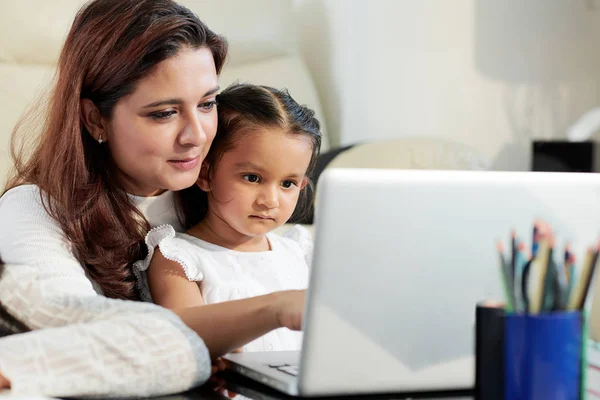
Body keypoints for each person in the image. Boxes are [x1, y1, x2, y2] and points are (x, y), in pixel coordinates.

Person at [0, 0, 305, 397]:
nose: (195, 135)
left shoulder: (224, 193)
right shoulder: (34, 208)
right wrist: (270, 311)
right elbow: (71, 324)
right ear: (95, 119)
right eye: (163, 113)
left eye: (208, 104)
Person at [134, 83, 322, 353]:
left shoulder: (299, 252)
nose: (270, 200)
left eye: (288, 184)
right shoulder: (178, 259)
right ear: (206, 174)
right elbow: (184, 336)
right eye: (252, 178)